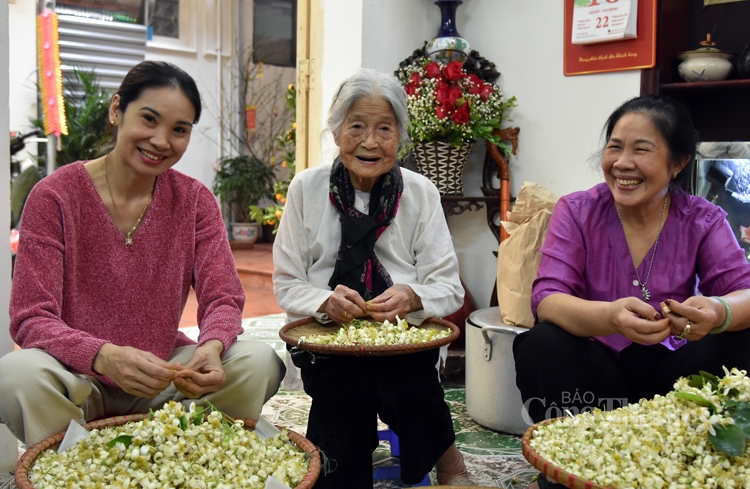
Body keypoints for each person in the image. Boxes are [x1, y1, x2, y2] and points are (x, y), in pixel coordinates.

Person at [0, 60, 285, 447]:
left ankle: (188, 455)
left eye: (179, 130)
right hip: (79, 383)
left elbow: (223, 297)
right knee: (16, 374)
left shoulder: (195, 201)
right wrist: (103, 355)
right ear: (117, 110)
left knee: (258, 362)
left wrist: (212, 347)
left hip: (164, 377)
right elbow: (31, 317)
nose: (162, 141)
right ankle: (76, 463)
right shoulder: (55, 197)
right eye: (149, 119)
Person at [513, 94, 750, 488]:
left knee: (741, 336)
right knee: (542, 343)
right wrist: (608, 318)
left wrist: (716, 311)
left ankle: (699, 459)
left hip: (673, 382)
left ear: (678, 163)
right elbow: (548, 299)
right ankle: (572, 459)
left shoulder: (702, 220)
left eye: (642, 150)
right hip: (593, 377)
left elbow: (744, 292)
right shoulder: (577, 210)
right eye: (615, 147)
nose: (623, 163)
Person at [272, 68, 473, 488]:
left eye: (385, 128)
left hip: (403, 341)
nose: (369, 141)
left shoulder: (420, 193)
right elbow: (287, 283)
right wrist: (324, 302)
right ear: (336, 131)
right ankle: (347, 478)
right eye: (357, 126)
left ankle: (450, 467)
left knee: (406, 377)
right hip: (327, 343)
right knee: (344, 385)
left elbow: (449, 287)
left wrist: (412, 296)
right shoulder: (305, 189)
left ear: (400, 136)